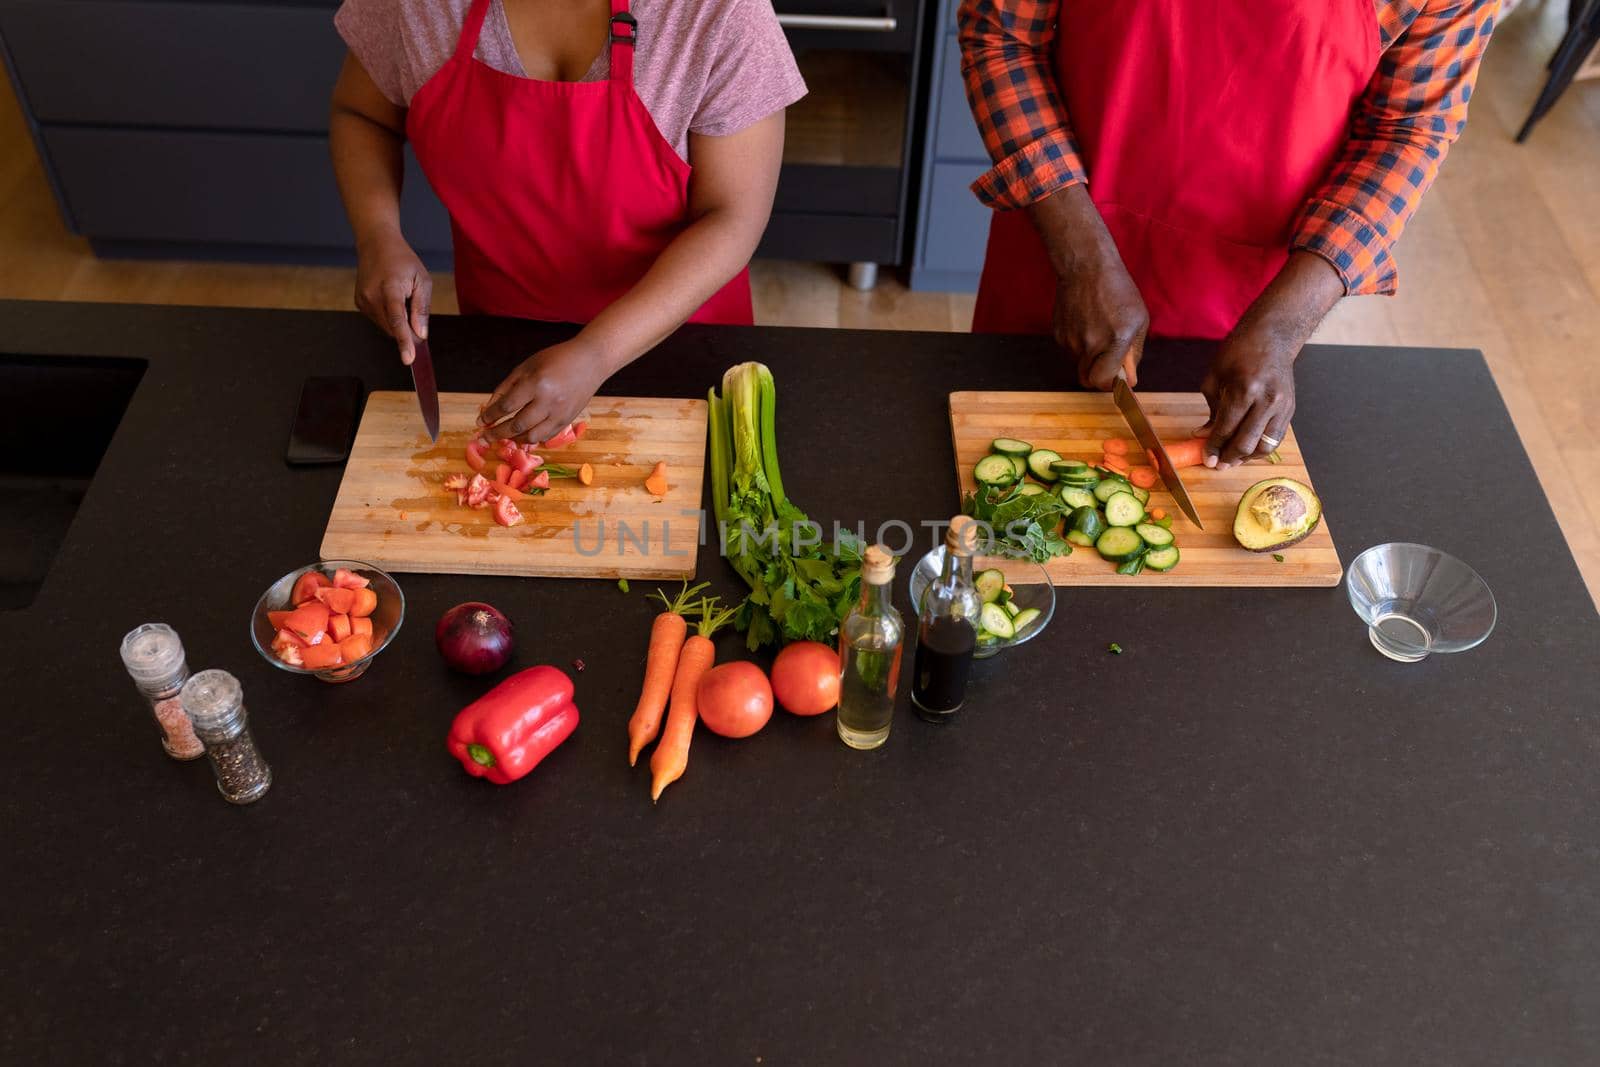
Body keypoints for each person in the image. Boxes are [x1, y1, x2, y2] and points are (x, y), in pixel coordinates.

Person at [958, 1, 1498, 468]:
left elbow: (1409, 128)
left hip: (1248, 307)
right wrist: (1082, 260)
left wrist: (1283, 326)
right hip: (1062, 242)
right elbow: (1003, 37)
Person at [330, 0, 804, 444]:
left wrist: (597, 352)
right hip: (501, 346)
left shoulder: (718, 13)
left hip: (682, 347)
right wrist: (378, 235)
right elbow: (362, 115)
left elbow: (734, 215)